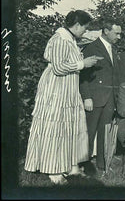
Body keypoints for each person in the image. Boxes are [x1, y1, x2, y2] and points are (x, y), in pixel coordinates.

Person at [24, 10, 101, 185]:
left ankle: (67, 166)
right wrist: (83, 63)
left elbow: (69, 61)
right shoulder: (60, 39)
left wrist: (84, 60)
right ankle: (53, 170)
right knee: (55, 128)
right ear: (77, 25)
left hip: (67, 88)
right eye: (85, 28)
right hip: (56, 89)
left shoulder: (71, 39)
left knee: (68, 128)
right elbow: (58, 68)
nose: (85, 32)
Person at [79, 22, 122, 172]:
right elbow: (83, 75)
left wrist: (116, 98)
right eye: (117, 33)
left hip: (109, 98)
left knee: (105, 132)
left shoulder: (113, 48)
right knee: (89, 133)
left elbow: (114, 75)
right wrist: (86, 97)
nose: (119, 36)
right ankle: (84, 164)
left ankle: (102, 164)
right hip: (94, 98)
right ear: (106, 31)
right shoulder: (92, 47)